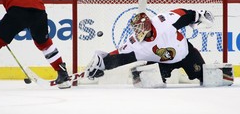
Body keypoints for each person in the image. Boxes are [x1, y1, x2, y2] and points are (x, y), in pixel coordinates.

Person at [86, 8, 214, 85]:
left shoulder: (163, 22)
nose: (140, 33)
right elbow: (119, 56)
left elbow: (184, 14)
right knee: (142, 79)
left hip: (187, 54)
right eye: (137, 31)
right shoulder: (135, 44)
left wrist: (199, 15)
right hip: (163, 63)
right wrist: (102, 64)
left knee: (210, 78)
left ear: (148, 25)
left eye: (142, 30)